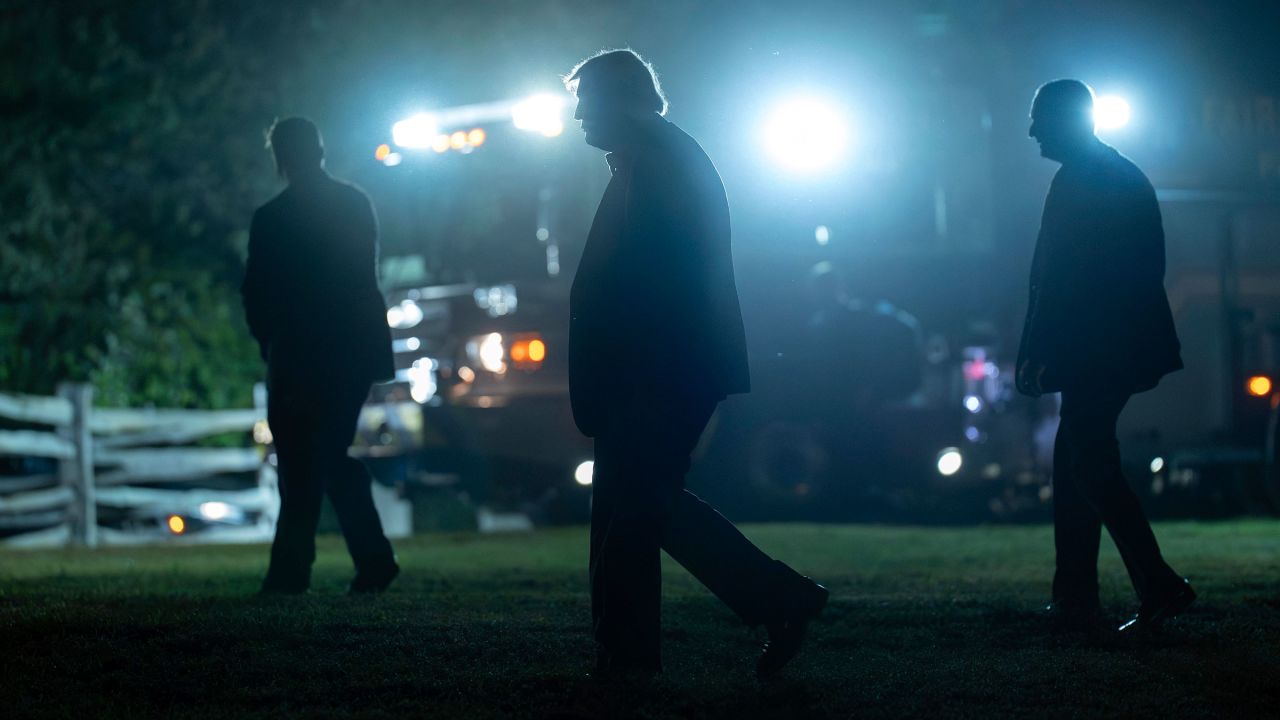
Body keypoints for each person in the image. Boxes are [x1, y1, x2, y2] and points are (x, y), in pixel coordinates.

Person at [564, 49, 827, 678]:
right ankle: (768, 602)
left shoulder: (654, 165)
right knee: (640, 503)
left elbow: (649, 281)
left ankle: (633, 654)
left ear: (618, 98)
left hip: (656, 367)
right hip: (662, 366)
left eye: (584, 101)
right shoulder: (654, 158)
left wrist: (620, 369)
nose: (577, 116)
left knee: (634, 506)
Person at [1016, 80, 1193, 632]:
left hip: (1098, 348)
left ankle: (1153, 585)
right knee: (1078, 464)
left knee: (1088, 465)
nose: (1033, 130)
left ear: (1065, 120)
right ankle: (1078, 595)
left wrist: (1038, 351)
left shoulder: (1079, 181)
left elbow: (1063, 280)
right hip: (1113, 347)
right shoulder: (1113, 174)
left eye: (1040, 117)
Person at [242, 117, 400, 595]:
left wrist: (270, 341)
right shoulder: (354, 204)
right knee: (326, 453)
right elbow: (363, 283)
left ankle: (295, 570)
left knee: (300, 457)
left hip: (297, 354)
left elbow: (257, 293)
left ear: (281, 158)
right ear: (320, 150)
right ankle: (364, 561)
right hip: (347, 354)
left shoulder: (272, 218)